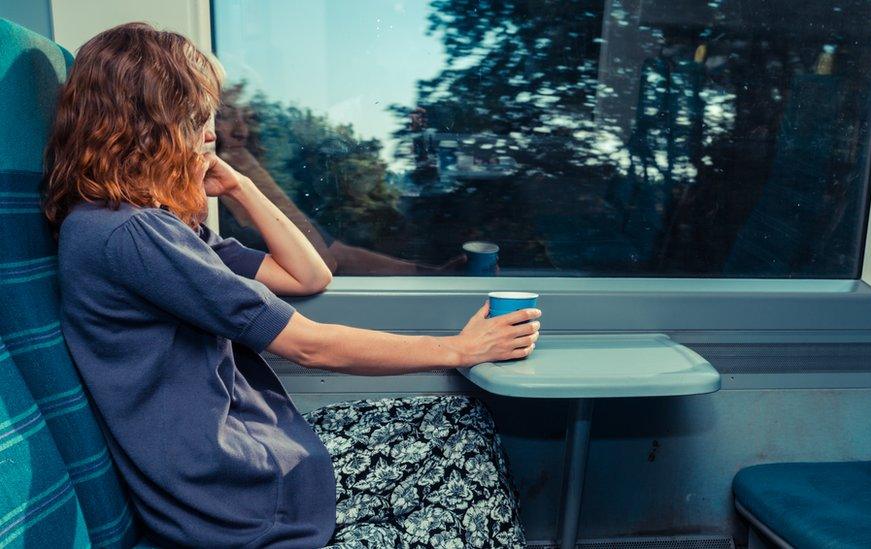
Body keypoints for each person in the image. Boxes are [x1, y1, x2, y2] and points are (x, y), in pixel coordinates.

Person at [43, 23, 539, 547]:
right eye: (196, 119)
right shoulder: (134, 233)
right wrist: (461, 349)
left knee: (461, 419)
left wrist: (239, 184)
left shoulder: (149, 223)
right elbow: (308, 345)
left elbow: (309, 274)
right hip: (232, 492)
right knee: (463, 480)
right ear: (146, 125)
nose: (210, 135)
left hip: (248, 452)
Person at [215, 96, 465, 275]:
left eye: (246, 119)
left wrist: (432, 272)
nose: (242, 131)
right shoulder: (214, 211)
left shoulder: (249, 193)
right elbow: (322, 263)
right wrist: (245, 173)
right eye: (226, 117)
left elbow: (339, 254)